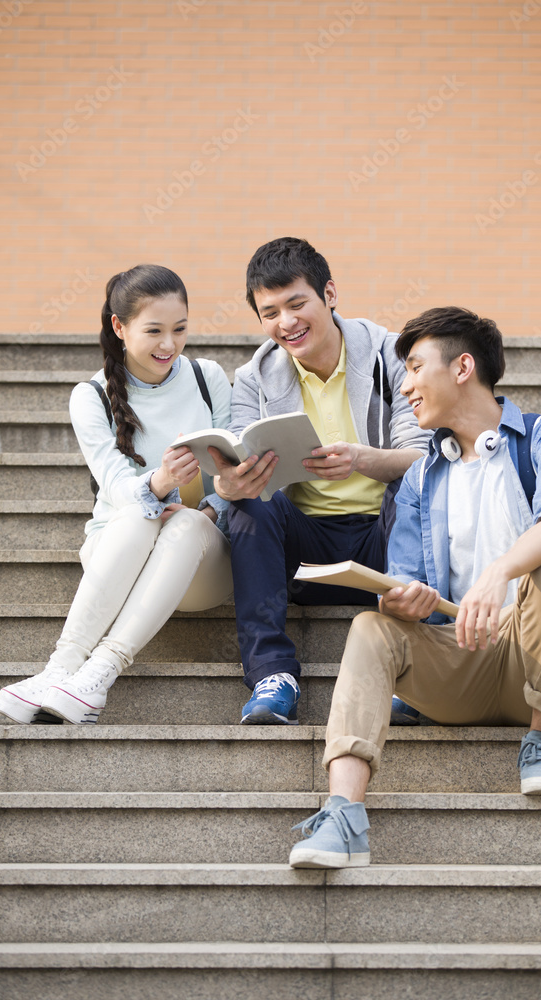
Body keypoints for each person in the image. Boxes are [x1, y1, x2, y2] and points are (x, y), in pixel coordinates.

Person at [289, 305, 541, 868]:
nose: (408, 386)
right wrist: (405, 601)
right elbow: (403, 582)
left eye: (417, 368)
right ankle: (343, 814)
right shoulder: (421, 475)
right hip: (458, 659)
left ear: (464, 366)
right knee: (373, 626)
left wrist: (500, 573)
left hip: (538, 661)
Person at [0, 264, 233, 725]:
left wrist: (207, 505)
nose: (170, 345)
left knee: (183, 521)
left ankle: (99, 670)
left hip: (203, 560)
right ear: (119, 328)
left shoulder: (208, 377)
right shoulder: (91, 396)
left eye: (180, 329)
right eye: (155, 331)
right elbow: (115, 484)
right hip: (121, 550)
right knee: (141, 512)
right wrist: (159, 484)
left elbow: (233, 465)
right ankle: (65, 670)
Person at [209, 237, 432, 725]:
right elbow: (236, 469)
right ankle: (272, 675)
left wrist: (361, 460)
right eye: (270, 313)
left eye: (296, 303)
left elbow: (422, 456)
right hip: (305, 554)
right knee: (251, 502)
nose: (285, 323)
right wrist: (229, 487)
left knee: (413, 488)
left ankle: (416, 669)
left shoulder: (391, 354)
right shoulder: (253, 378)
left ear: (329, 294)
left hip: (386, 541)